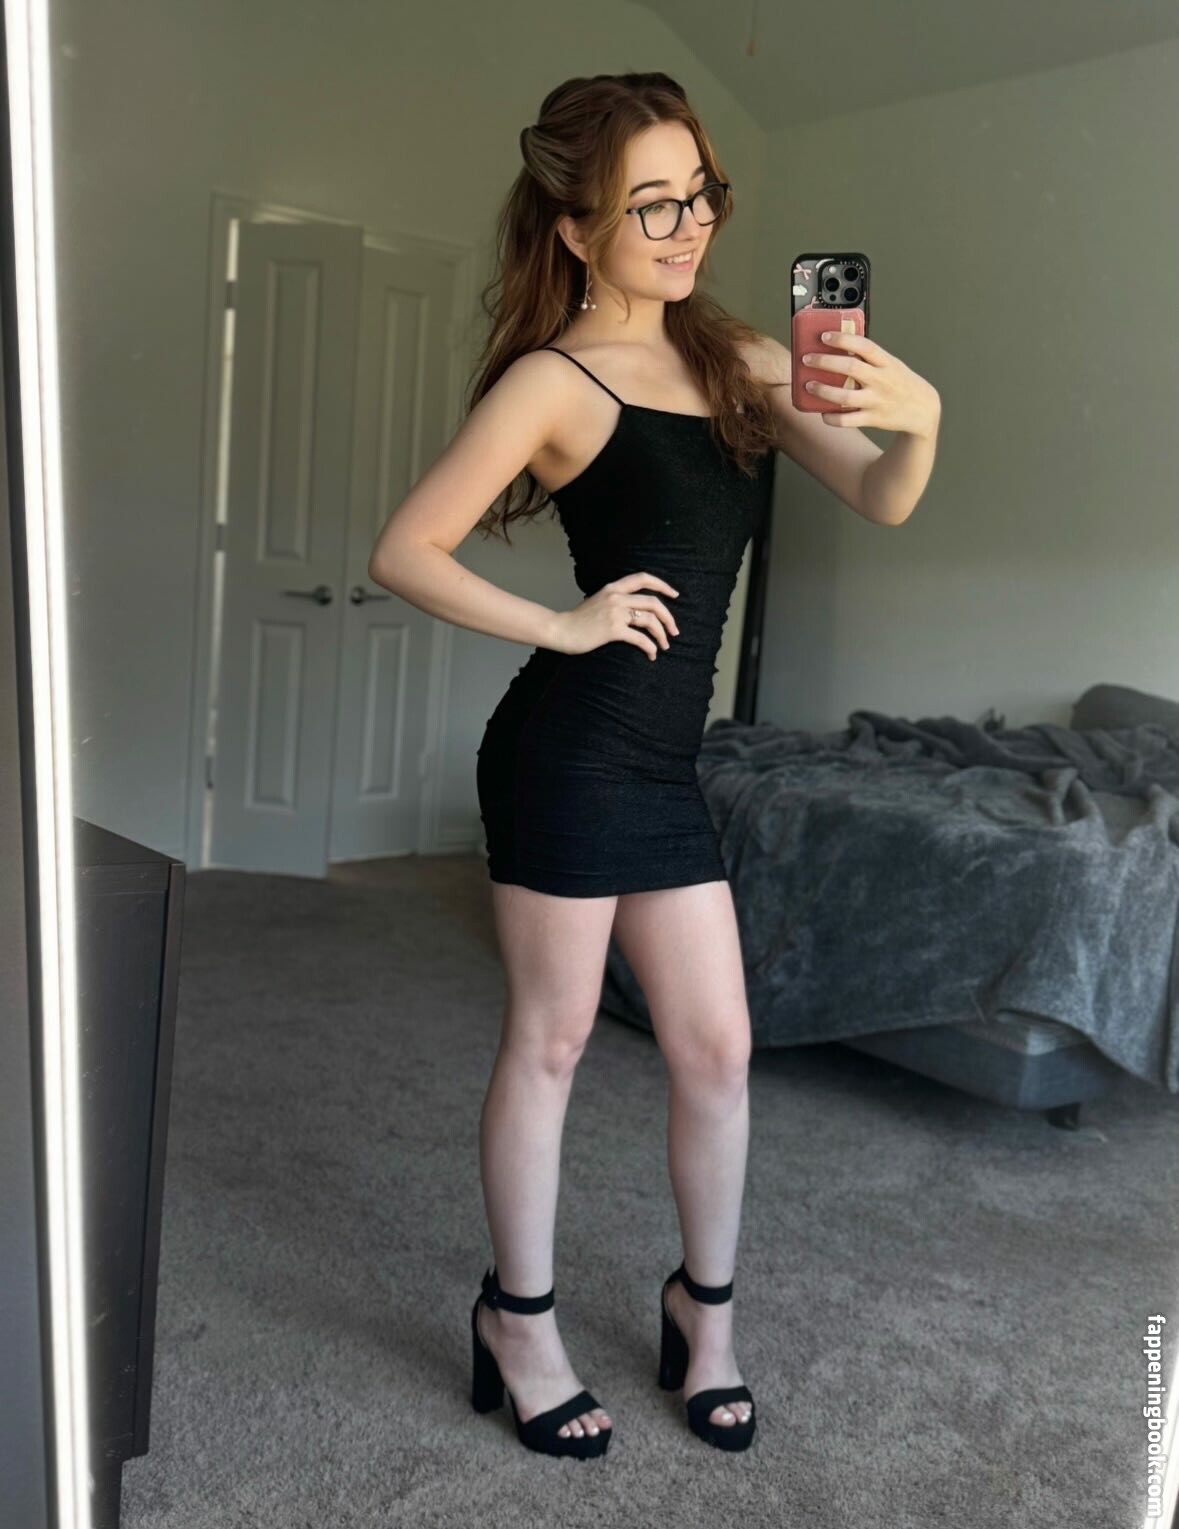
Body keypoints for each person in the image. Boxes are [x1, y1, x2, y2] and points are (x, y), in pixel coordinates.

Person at [367, 71, 939, 1460]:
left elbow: (879, 492)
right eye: (654, 206)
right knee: (553, 1040)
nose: (690, 229)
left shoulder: (736, 358)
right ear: (576, 227)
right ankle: (519, 1321)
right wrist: (562, 622)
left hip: (663, 766)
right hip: (567, 756)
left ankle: (705, 1314)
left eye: (702, 197)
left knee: (718, 1048)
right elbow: (405, 550)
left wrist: (919, 412)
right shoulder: (552, 381)